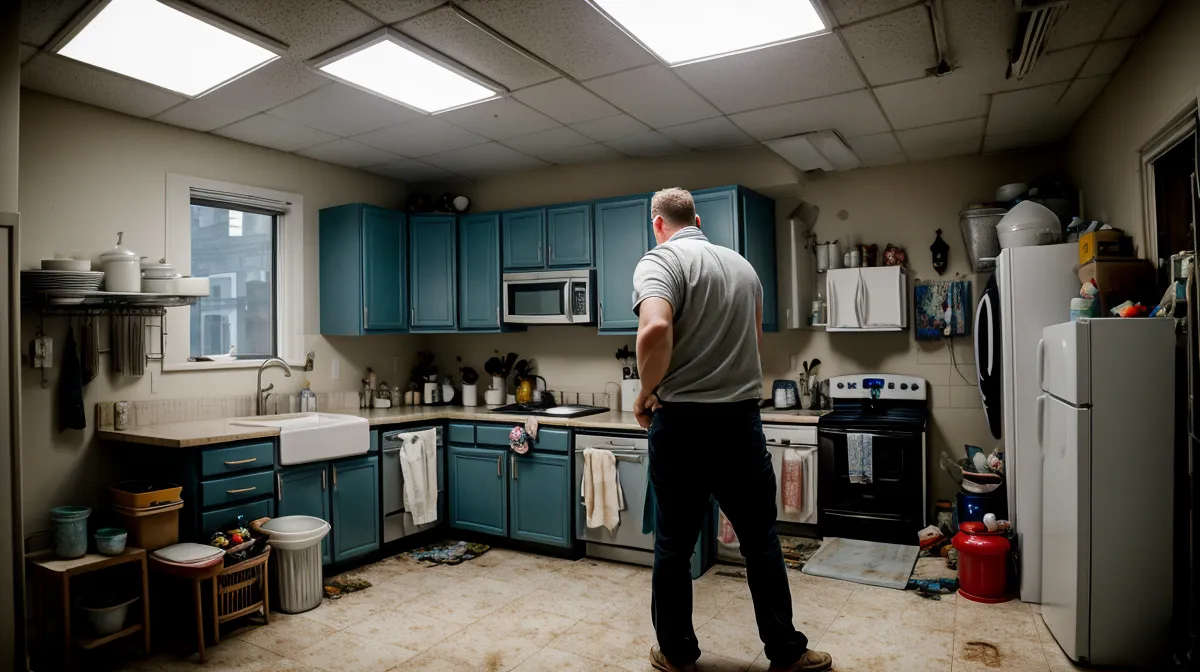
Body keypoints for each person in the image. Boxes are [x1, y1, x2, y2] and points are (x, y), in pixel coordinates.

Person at [632, 188, 832, 672]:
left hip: (682, 426)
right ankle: (787, 652)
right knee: (760, 542)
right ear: (698, 220)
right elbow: (753, 341)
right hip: (740, 422)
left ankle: (677, 654)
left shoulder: (660, 261)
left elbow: (655, 329)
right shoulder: (743, 268)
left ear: (658, 224)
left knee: (674, 548)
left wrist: (645, 392)